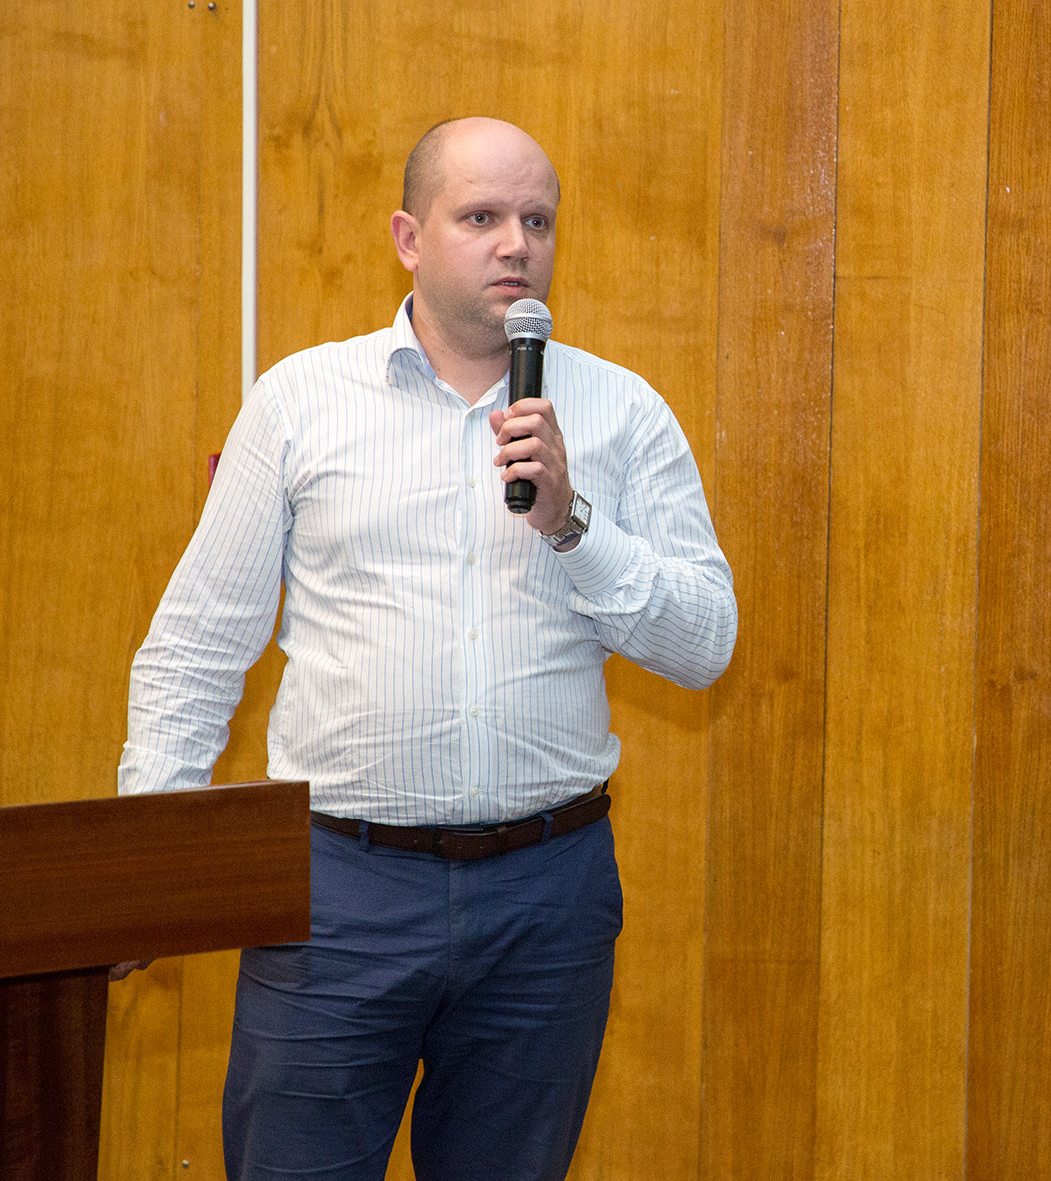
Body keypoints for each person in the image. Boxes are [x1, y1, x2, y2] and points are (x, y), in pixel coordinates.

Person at [116, 117, 736, 1179]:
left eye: (537, 221)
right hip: (334, 896)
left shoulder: (621, 411)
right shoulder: (301, 401)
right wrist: (148, 866)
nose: (516, 244)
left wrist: (573, 524)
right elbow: (198, 645)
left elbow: (704, 645)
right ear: (408, 237)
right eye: (481, 217)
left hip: (547, 900)